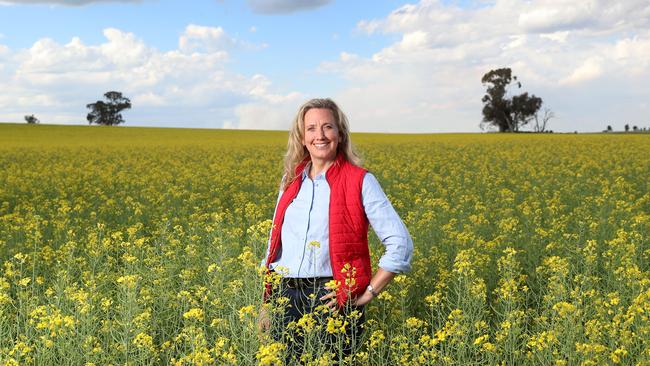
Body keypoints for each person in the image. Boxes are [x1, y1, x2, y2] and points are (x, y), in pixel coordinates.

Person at [258, 98, 413, 362]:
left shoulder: (360, 180)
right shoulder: (290, 180)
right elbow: (275, 246)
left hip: (330, 300)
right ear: (302, 137)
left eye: (327, 127)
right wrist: (266, 303)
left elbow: (401, 243)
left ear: (340, 135)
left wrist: (367, 292)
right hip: (283, 297)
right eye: (311, 128)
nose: (320, 135)